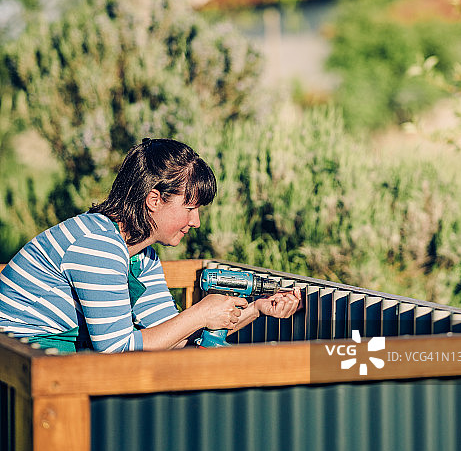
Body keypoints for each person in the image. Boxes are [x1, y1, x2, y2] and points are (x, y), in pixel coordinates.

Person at [0, 138, 301, 353]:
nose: (195, 221)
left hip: (47, 366)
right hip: (18, 370)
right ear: (154, 199)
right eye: (189, 208)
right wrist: (198, 313)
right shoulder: (96, 246)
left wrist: (257, 309)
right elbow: (117, 349)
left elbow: (173, 334)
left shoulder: (140, 255)